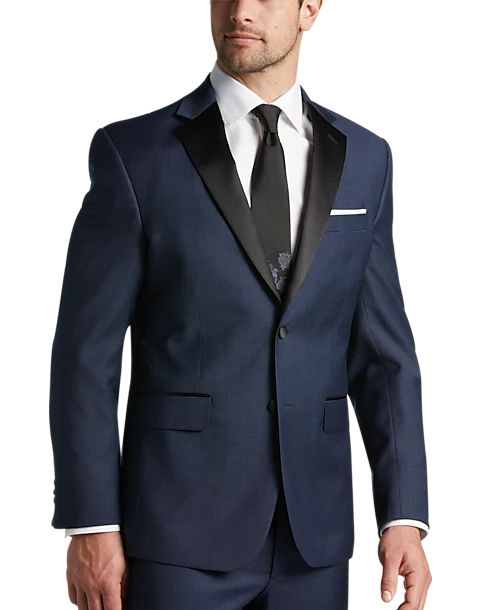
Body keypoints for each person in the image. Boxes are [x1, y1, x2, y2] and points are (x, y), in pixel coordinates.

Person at [49, 1, 432, 608]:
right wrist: (90, 522)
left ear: (311, 8)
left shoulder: (364, 159)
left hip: (314, 539)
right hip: (175, 535)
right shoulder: (134, 155)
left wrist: (405, 513)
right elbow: (83, 355)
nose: (241, 11)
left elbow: (385, 356)